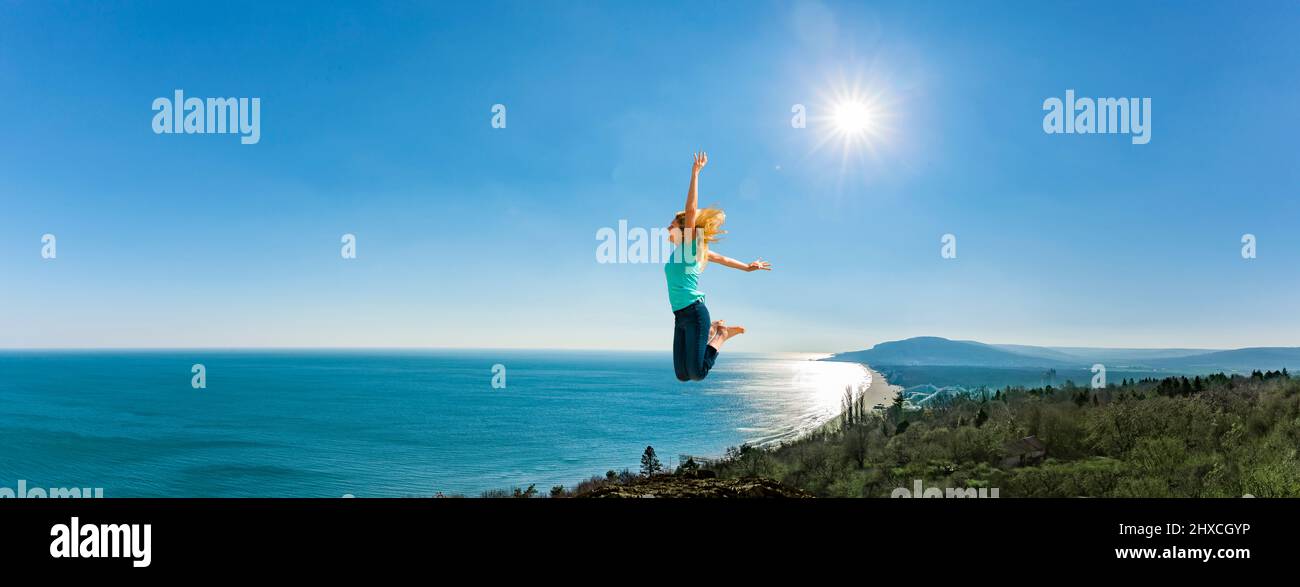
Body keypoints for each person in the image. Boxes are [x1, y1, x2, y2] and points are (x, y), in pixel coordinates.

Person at [664, 151, 771, 382]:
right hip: (680, 316)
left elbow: (691, 211)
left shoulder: (691, 244)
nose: (667, 228)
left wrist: (695, 173)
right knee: (682, 375)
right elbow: (723, 259)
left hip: (694, 313)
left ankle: (720, 334)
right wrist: (746, 267)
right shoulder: (688, 252)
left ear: (684, 229)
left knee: (698, 373)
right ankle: (713, 328)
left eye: (671, 224)